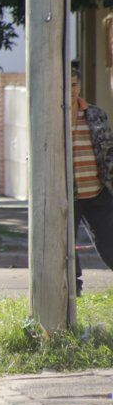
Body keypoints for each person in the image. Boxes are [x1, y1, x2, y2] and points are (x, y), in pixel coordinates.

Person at [71, 62, 113, 297]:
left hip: (97, 191)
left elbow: (108, 151)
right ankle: (73, 290)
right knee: (66, 247)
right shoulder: (51, 119)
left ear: (79, 86)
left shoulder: (95, 114)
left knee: (109, 240)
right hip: (70, 195)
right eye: (65, 85)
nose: (71, 90)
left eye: (74, 84)